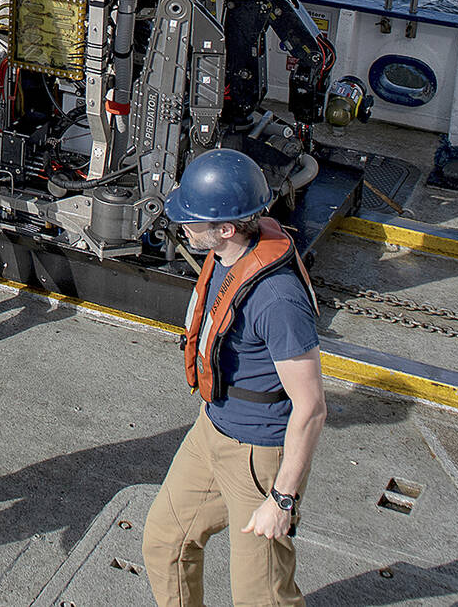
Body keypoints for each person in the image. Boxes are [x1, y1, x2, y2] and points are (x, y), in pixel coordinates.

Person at [143, 149, 326, 607]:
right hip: (211, 432)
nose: (182, 225)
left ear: (225, 228)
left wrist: (282, 499)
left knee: (262, 597)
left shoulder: (277, 300)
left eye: (192, 218)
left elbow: (311, 407)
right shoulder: (227, 254)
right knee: (166, 544)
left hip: (257, 455)